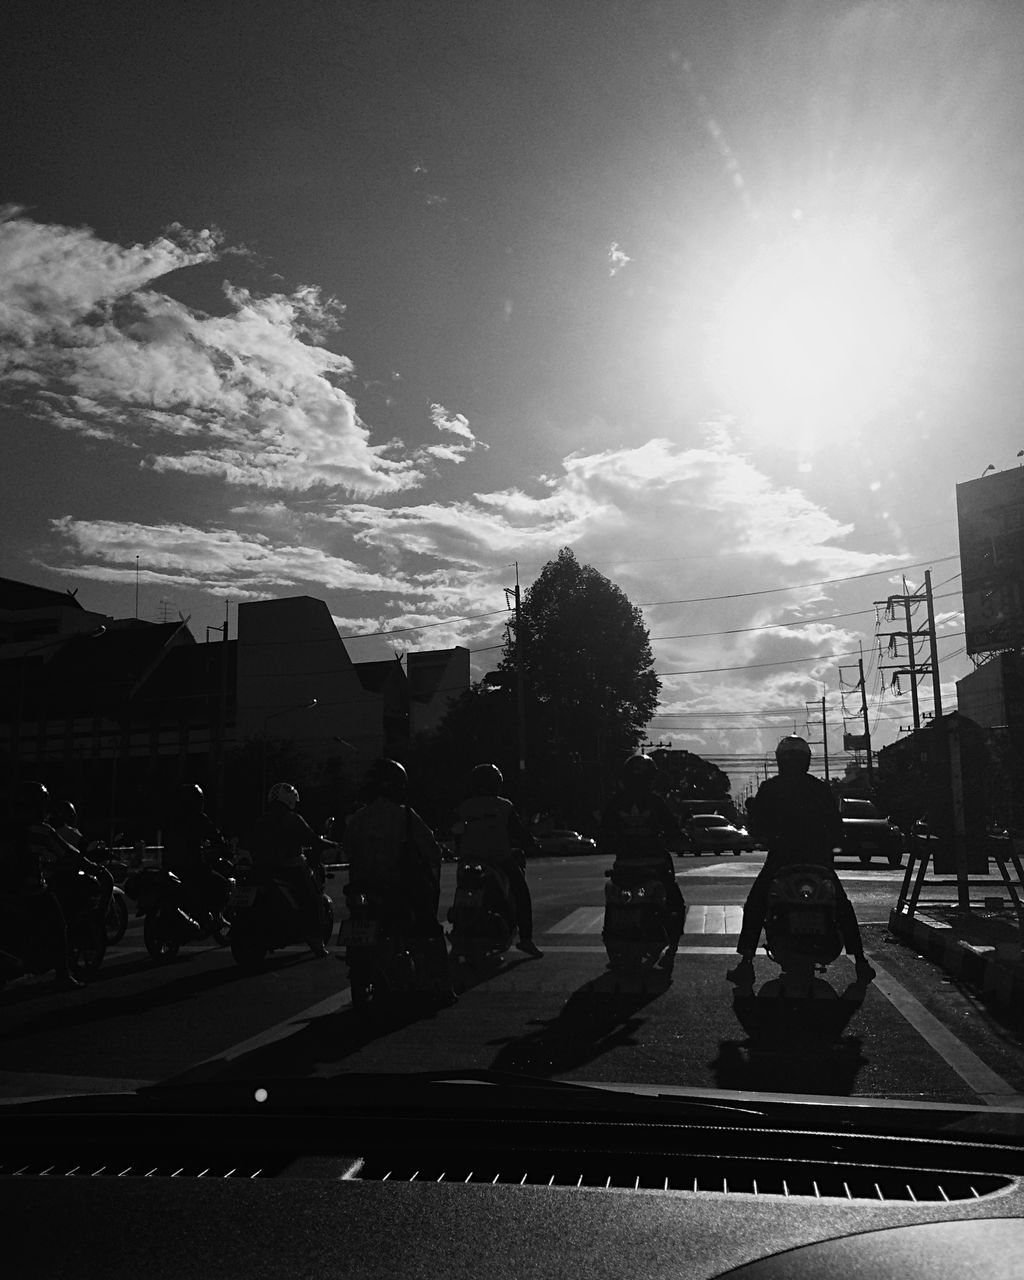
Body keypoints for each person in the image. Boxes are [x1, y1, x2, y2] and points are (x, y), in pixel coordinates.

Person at [727, 735, 876, 987]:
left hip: (782, 859)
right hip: (816, 859)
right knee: (841, 905)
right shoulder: (818, 788)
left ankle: (746, 962)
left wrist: (764, 837)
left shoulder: (771, 788)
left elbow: (757, 825)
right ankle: (861, 962)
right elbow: (836, 826)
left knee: (756, 904)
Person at [344, 758, 455, 1001]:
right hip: (396, 889)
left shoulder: (358, 818)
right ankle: (443, 987)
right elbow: (431, 851)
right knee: (430, 929)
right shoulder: (405, 816)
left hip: (360, 889)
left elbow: (348, 850)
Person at [600, 752, 687, 974]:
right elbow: (673, 830)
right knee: (675, 904)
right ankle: (673, 949)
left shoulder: (616, 802)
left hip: (624, 866)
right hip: (655, 865)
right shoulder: (655, 801)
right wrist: (681, 839)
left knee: (612, 901)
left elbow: (602, 834)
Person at [0, 782, 93, 989]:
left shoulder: (6, 827)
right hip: (30, 891)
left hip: (6, 892)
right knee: (59, 926)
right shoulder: (40, 830)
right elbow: (68, 853)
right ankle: (63, 975)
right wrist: (92, 865)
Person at [455, 763, 543, 958]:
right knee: (521, 892)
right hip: (499, 859)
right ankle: (526, 939)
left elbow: (457, 833)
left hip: (467, 861)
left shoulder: (464, 807)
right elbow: (519, 832)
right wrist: (532, 843)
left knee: (461, 889)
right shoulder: (504, 806)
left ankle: (458, 935)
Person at [246, 782, 331, 958]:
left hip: (262, 869)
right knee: (312, 898)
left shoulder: (262, 819)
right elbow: (313, 839)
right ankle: (316, 941)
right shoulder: (292, 818)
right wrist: (334, 845)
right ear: (290, 799)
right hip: (288, 867)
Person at [161, 783, 230, 926]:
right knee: (222, 885)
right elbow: (215, 836)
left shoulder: (172, 818)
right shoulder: (198, 818)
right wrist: (224, 847)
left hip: (169, 866)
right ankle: (217, 915)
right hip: (192, 866)